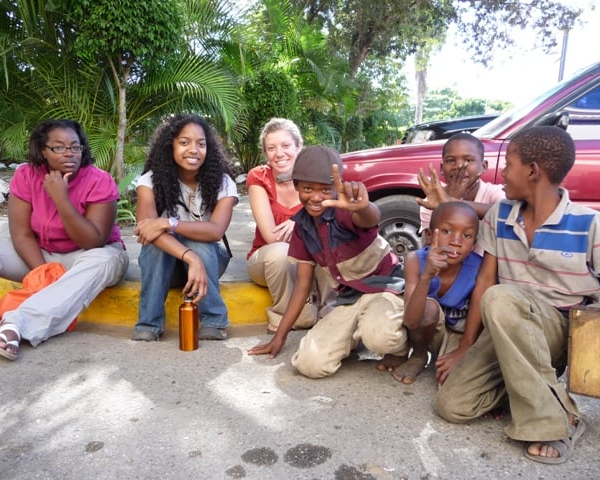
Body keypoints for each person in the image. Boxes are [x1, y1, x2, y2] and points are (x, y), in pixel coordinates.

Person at [434, 126, 600, 464]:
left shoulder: (589, 222)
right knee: (452, 406)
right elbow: (484, 281)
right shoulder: (500, 215)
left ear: (533, 171)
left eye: (509, 164)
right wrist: (465, 347)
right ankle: (525, 389)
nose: (503, 173)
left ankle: (556, 421)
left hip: (560, 329)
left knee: (501, 298)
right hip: (507, 326)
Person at [248, 145, 408, 378]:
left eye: (325, 189)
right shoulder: (302, 227)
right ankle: (356, 333)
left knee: (380, 338)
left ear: (336, 187)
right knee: (309, 364)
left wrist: (364, 207)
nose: (316, 197)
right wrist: (280, 336)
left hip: (385, 290)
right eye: (307, 188)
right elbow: (302, 285)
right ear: (296, 186)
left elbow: (369, 218)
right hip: (348, 300)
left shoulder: (345, 211)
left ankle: (401, 345)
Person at [0, 119, 129, 360]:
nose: (69, 153)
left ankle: (17, 325)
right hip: (39, 254)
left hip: (86, 257)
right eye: (58, 147)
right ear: (43, 150)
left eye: (75, 147)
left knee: (105, 259)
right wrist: (44, 273)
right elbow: (21, 233)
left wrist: (61, 199)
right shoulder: (26, 175)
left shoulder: (99, 180)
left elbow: (93, 241)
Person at [132, 114, 237, 342]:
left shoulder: (223, 182)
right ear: (170, 145)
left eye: (201, 144)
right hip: (164, 267)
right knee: (156, 245)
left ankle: (214, 320)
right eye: (184, 142)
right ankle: (148, 324)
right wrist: (190, 257)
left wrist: (169, 223)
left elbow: (216, 231)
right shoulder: (150, 181)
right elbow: (147, 230)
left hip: (208, 263)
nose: (194, 150)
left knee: (199, 240)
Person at [377, 201, 481, 385]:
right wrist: (426, 277)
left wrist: (464, 349)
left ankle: (442, 356)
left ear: (474, 244)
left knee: (456, 381)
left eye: (467, 235)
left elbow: (479, 319)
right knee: (429, 308)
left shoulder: (479, 267)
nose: (456, 242)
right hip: (421, 328)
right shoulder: (415, 260)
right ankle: (418, 355)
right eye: (447, 231)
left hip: (457, 334)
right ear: (429, 235)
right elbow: (411, 321)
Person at [246, 118, 334, 333]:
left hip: (310, 259)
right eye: (271, 148)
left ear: (298, 146)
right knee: (280, 251)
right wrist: (306, 222)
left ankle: (332, 314)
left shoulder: (317, 177)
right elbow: (271, 236)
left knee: (330, 246)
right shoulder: (259, 178)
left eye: (285, 145)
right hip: (269, 259)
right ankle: (287, 316)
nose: (279, 153)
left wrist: (297, 223)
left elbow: (331, 225)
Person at [417, 132, 504, 248]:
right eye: (451, 160)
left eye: (468, 160)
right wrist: (447, 207)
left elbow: (508, 213)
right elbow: (428, 249)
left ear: (483, 166)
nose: (459, 166)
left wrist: (452, 202)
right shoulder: (432, 201)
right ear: (442, 168)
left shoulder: (494, 193)